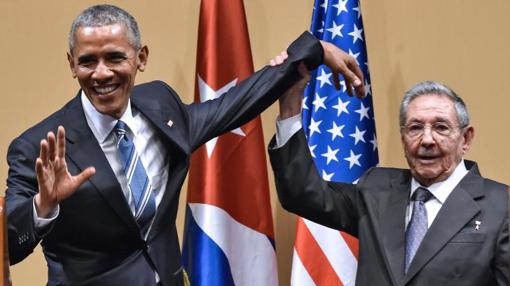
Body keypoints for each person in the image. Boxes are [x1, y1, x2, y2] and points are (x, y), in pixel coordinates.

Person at [5, 4, 366, 286]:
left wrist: (312, 50)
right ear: (72, 65)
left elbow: (233, 105)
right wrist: (43, 206)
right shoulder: (40, 147)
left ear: (140, 58)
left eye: (115, 57)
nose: (102, 73)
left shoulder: (161, 106)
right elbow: (10, 246)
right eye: (88, 62)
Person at [269, 78, 509, 285]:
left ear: (465, 139)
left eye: (441, 127)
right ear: (403, 138)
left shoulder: (501, 205)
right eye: (415, 127)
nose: (427, 139)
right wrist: (291, 103)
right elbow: (302, 193)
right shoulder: (376, 189)